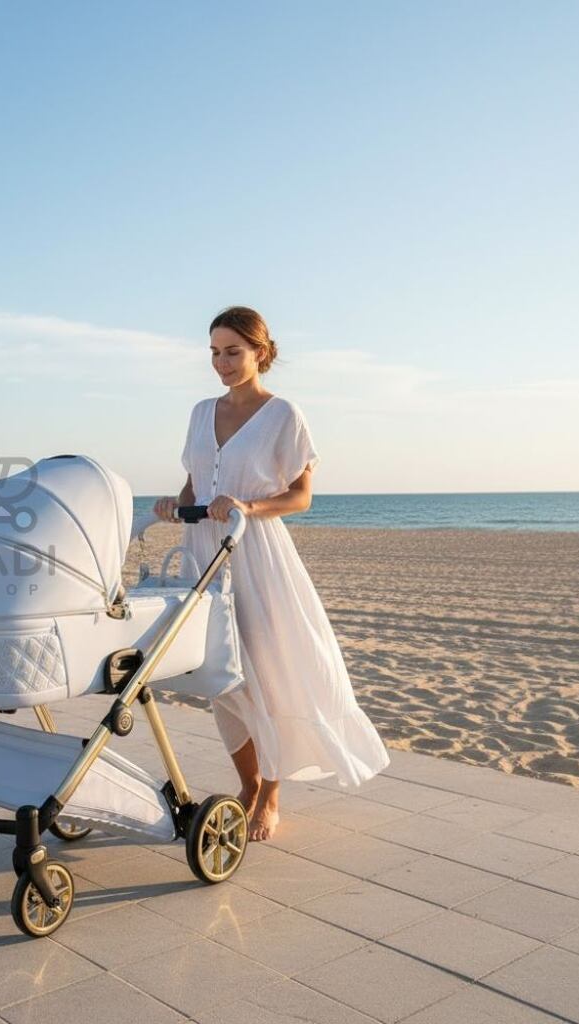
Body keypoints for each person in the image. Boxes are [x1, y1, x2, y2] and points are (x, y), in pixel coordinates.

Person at [154, 305, 390, 842]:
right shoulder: (199, 411)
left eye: (233, 352)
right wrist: (178, 503)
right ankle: (248, 783)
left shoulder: (284, 415)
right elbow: (195, 483)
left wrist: (247, 507)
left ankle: (272, 793)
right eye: (214, 353)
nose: (222, 363)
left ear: (261, 351)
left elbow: (301, 496)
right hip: (202, 555)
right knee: (218, 675)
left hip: (255, 553)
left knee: (268, 672)